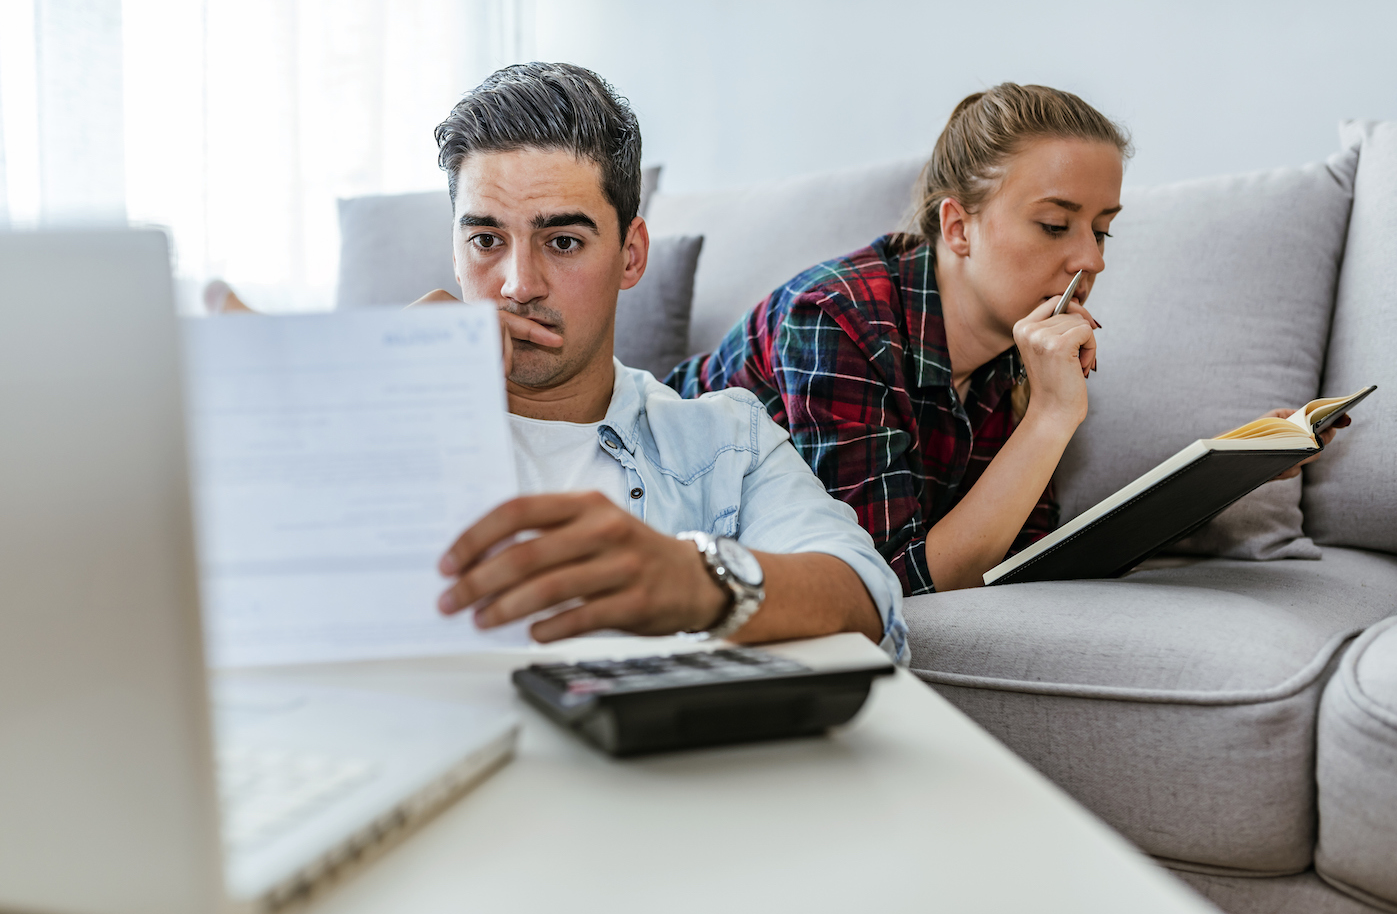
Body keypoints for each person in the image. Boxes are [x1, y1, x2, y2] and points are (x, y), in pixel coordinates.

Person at [668, 83, 1345, 596]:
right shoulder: (836, 319)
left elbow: (1015, 559)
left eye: (1102, 229)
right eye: (1056, 225)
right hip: (642, 504)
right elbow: (883, 583)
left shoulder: (1016, 354)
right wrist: (1052, 417)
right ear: (958, 228)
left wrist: (1219, 477)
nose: (1093, 260)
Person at [420, 63, 906, 661]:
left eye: (563, 241)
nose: (519, 285)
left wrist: (692, 580)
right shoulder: (379, 414)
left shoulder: (726, 440)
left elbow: (866, 600)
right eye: (487, 241)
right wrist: (367, 401)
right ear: (456, 249)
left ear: (631, 255)